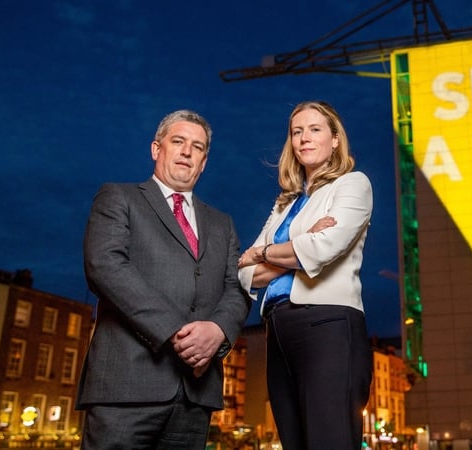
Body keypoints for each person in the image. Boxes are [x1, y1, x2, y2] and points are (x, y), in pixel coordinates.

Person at [76, 109, 251, 450]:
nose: (187, 151)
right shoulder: (118, 198)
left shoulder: (223, 223)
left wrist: (217, 331)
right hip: (125, 388)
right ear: (157, 149)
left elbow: (237, 286)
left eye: (197, 147)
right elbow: (104, 266)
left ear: (203, 162)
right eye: (178, 141)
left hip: (195, 394)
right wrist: (177, 334)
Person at [238, 100, 373, 450]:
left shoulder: (352, 185)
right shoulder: (285, 203)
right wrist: (298, 245)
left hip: (328, 325)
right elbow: (244, 274)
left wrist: (265, 252)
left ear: (335, 140)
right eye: (297, 131)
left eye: (315, 129)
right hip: (278, 331)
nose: (304, 138)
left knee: (330, 442)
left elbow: (322, 249)